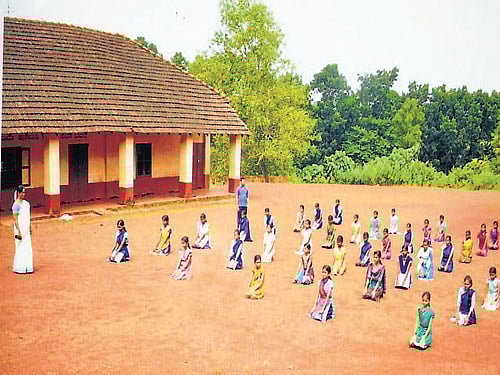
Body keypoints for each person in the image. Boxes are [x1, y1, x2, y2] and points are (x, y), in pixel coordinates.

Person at [12, 185, 33, 274]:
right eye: (22, 192)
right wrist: (19, 231)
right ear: (18, 193)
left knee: (27, 247)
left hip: (26, 228)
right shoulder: (15, 205)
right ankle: (20, 267)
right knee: (20, 247)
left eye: (24, 192)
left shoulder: (26, 204)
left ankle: (28, 267)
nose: (23, 194)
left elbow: (28, 217)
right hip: (20, 229)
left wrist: (30, 227)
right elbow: (16, 219)